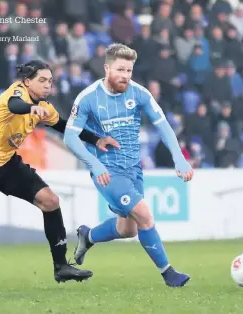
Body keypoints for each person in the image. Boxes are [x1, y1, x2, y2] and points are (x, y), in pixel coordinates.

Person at [0, 60, 120, 286]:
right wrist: (30, 108)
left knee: (51, 201)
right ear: (27, 82)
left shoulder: (44, 106)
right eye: (42, 80)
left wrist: (97, 139)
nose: (48, 85)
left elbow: (65, 126)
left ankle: (61, 266)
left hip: (6, 164)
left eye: (50, 81)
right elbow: (15, 105)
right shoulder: (17, 93)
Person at [63, 43, 194, 287]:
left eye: (129, 71)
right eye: (120, 70)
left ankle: (87, 236)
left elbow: (163, 125)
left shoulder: (139, 94)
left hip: (133, 169)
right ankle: (169, 273)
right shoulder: (88, 98)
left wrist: (179, 157)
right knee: (145, 215)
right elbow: (70, 136)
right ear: (107, 68)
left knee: (128, 230)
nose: (125, 76)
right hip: (107, 171)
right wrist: (94, 164)